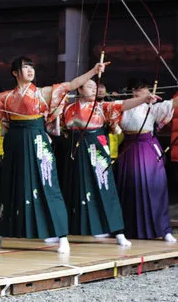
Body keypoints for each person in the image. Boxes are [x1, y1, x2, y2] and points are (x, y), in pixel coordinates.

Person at [0, 57, 108, 254]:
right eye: (25, 67)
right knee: (10, 186)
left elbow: (70, 85)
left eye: (31, 67)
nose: (29, 70)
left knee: (47, 184)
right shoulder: (7, 97)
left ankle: (62, 236)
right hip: (15, 142)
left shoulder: (42, 93)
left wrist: (94, 71)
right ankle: (0, 235)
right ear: (15, 73)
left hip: (37, 140)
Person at [61, 79, 158, 246]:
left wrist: (144, 99)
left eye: (95, 86)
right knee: (72, 187)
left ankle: (118, 231)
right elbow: (59, 127)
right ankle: (63, 231)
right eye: (89, 86)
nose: (94, 89)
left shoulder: (101, 107)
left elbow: (123, 104)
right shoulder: (68, 108)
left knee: (105, 187)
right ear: (79, 89)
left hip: (96, 149)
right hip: (74, 150)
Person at [115, 79, 178, 242]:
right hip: (129, 149)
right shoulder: (122, 106)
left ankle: (164, 230)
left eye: (142, 90)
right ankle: (126, 229)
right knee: (130, 189)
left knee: (155, 188)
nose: (138, 93)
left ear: (149, 91)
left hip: (148, 148)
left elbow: (172, 104)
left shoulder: (152, 107)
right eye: (134, 90)